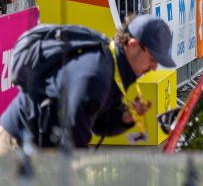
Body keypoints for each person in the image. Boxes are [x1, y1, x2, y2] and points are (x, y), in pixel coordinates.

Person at [0, 15, 174, 153]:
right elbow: (74, 137)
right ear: (133, 45)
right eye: (152, 59)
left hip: (41, 145)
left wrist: (125, 118)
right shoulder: (97, 73)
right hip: (18, 142)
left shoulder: (114, 66)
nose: (153, 68)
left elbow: (99, 125)